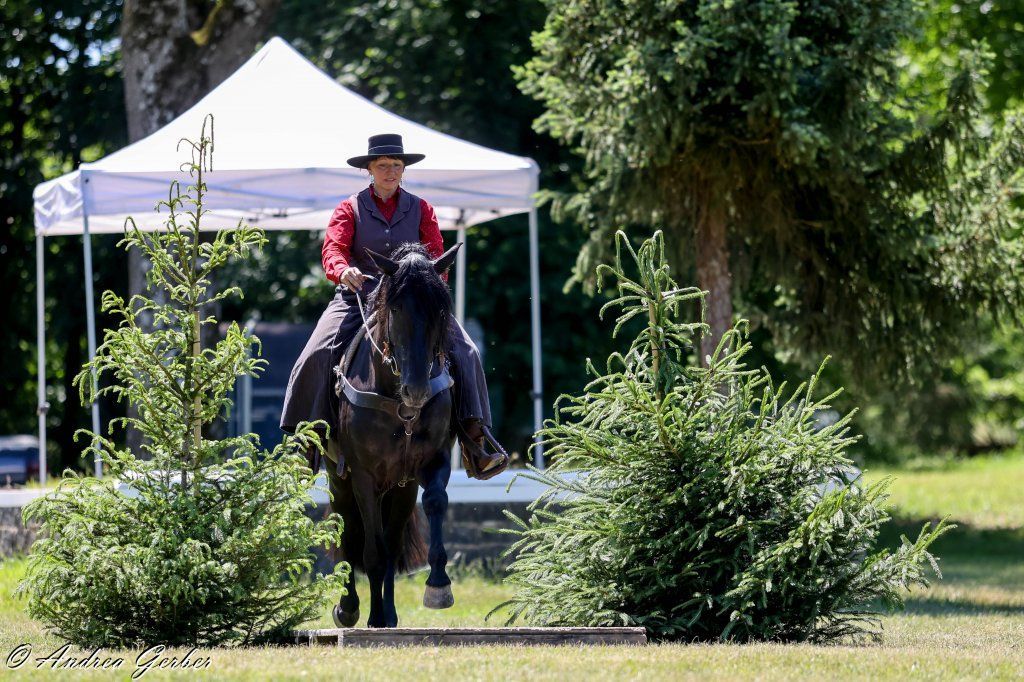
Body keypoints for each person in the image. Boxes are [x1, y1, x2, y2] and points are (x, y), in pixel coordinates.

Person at [280, 133, 509, 480]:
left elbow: (435, 256)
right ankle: (306, 443)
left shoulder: (422, 208)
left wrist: (428, 291)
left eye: (396, 165)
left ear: (404, 169)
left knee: (468, 351)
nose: (390, 171)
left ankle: (475, 442)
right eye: (383, 165)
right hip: (359, 294)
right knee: (315, 352)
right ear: (369, 169)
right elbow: (333, 249)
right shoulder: (349, 208)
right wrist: (343, 270)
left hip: (412, 299)